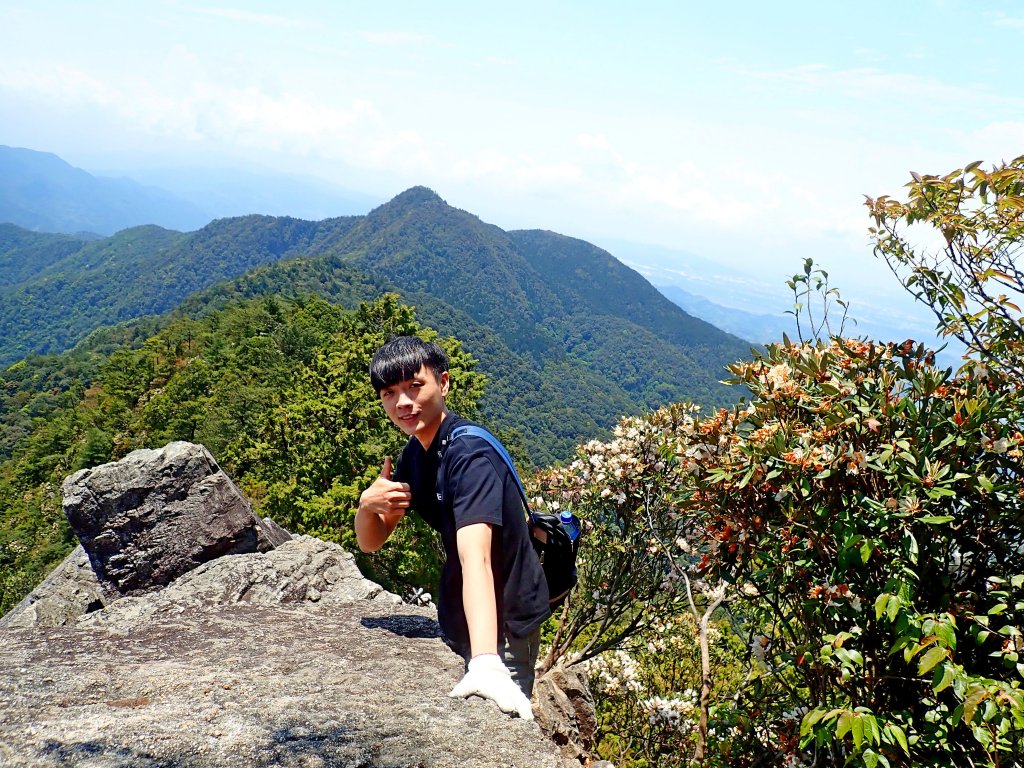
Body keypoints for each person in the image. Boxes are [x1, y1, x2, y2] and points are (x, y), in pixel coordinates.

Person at [355, 336, 550, 719]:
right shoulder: (414, 454)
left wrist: (486, 663)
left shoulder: (469, 458)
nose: (402, 403)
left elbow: (475, 557)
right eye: (390, 392)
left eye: (415, 386)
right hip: (465, 610)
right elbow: (372, 541)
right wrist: (366, 506)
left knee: (498, 726)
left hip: (507, 619)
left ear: (443, 383)